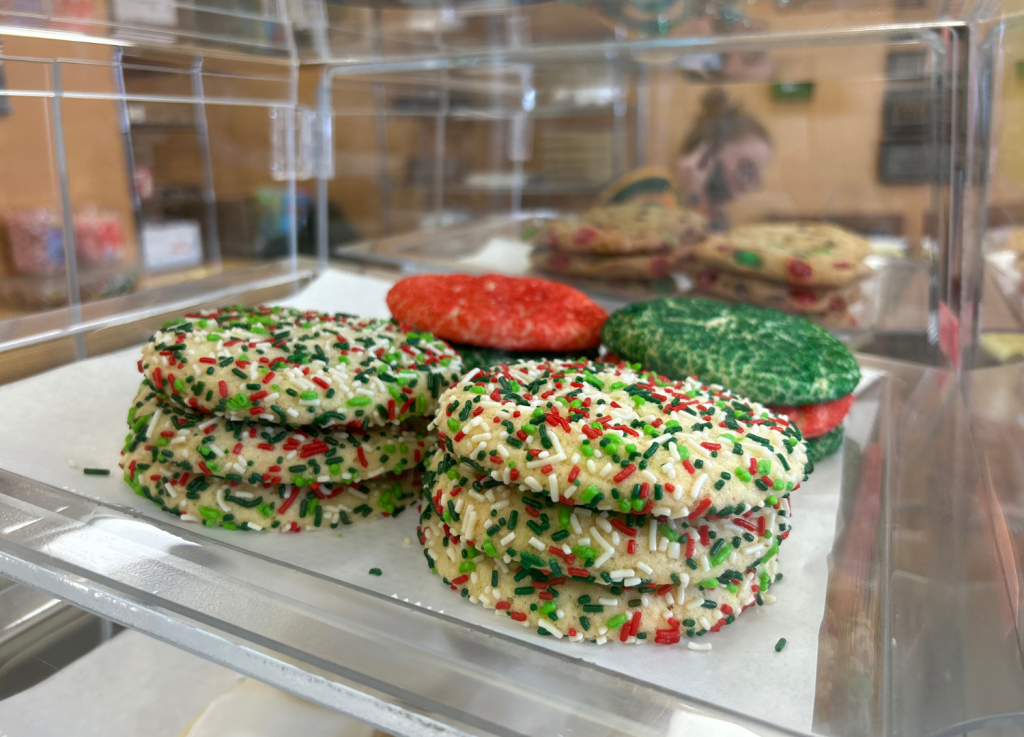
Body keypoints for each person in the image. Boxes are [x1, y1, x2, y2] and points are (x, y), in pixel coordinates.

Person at [676, 89, 772, 230]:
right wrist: (695, 192)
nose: (752, 186)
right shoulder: (668, 208)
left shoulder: (721, 219)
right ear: (704, 162)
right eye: (747, 169)